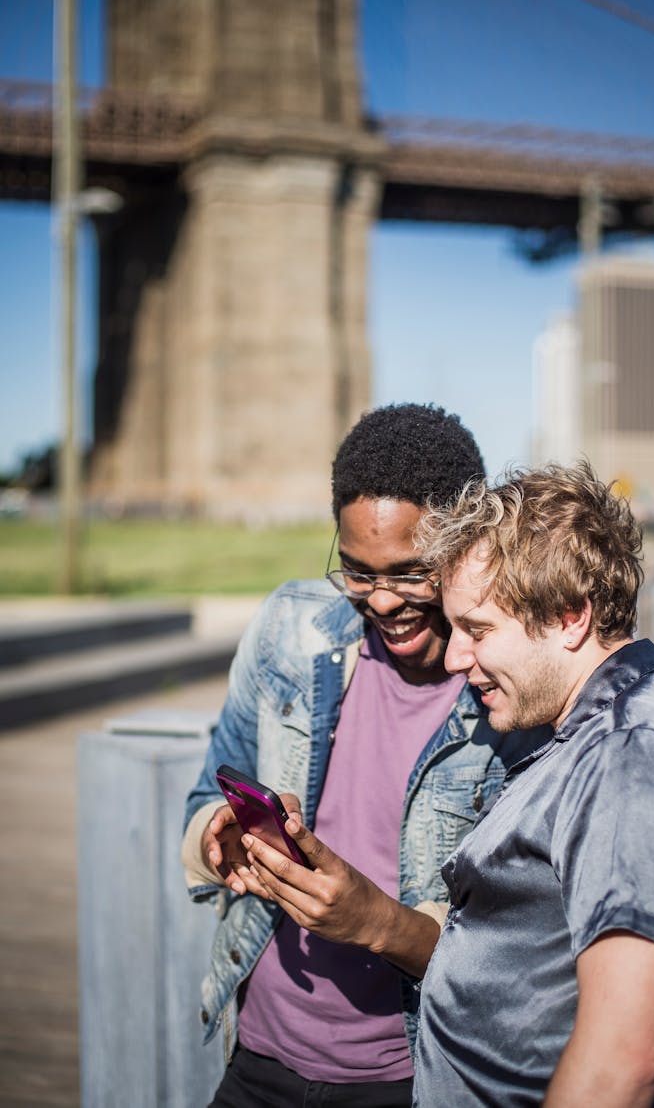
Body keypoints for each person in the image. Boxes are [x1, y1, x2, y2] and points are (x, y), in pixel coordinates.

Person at [181, 403, 522, 1107]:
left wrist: (376, 921)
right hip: (258, 1053)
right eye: (359, 572)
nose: (382, 600)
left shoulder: (515, 690)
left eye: (409, 573)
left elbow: (521, 955)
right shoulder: (288, 625)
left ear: (466, 546)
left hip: (413, 1079)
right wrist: (218, 838)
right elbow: (204, 789)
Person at [401, 461, 654, 1107]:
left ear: (570, 617)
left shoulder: (635, 757)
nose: (453, 657)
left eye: (476, 629)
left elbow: (622, 1065)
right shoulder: (590, 731)